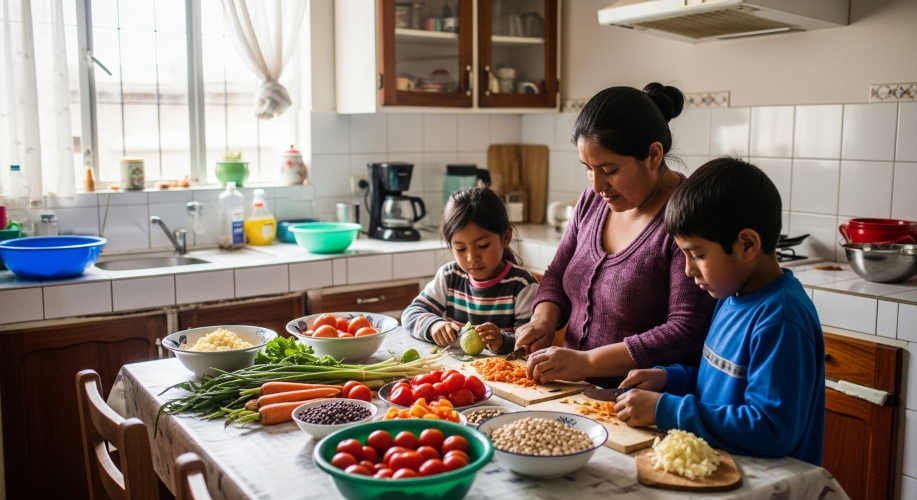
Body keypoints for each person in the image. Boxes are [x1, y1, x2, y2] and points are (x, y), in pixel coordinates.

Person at [613, 158, 825, 465]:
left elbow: (771, 428)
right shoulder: (729, 297)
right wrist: (668, 378)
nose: (687, 270)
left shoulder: (781, 318)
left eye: (697, 254)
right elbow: (719, 386)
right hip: (722, 470)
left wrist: (666, 410)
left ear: (747, 244)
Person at [516, 83, 715, 384]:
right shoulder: (593, 201)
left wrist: (588, 363)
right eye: (588, 168)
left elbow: (685, 330)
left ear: (653, 155)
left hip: (640, 404)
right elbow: (556, 275)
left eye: (609, 170)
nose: (597, 185)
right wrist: (543, 321)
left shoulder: (686, 215)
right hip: (573, 392)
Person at [402, 187, 539, 354]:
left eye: (483, 246)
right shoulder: (449, 277)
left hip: (501, 376)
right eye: (460, 249)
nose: (471, 258)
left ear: (506, 237)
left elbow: (530, 343)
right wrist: (433, 325)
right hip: (454, 372)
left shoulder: (522, 286)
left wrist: (502, 341)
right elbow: (411, 313)